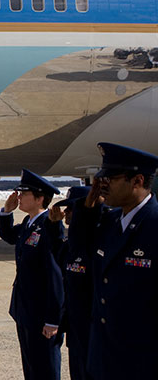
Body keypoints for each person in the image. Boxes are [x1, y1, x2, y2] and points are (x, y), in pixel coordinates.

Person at [72, 142, 158, 379]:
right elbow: (78, 248)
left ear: (138, 181)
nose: (102, 185)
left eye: (110, 178)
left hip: (140, 363)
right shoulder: (109, 222)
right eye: (102, 178)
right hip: (103, 358)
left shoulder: (154, 225)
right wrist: (87, 209)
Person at [0, 169, 64, 380]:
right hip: (25, 310)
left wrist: (53, 319)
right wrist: (6, 212)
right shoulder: (29, 223)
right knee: (31, 366)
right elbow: (9, 235)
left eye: (24, 193)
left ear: (40, 198)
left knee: (45, 368)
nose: (19, 197)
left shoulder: (49, 227)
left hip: (42, 313)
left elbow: (56, 275)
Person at [48, 185, 93, 380]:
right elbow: (57, 258)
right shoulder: (71, 244)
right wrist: (54, 225)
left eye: (71, 209)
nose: (66, 213)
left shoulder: (97, 243)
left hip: (92, 330)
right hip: (75, 328)